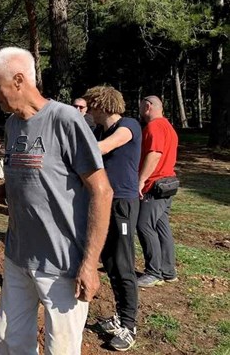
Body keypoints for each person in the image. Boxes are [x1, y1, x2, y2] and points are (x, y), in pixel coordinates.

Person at [0, 47, 113, 354]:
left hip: (62, 263)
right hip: (18, 255)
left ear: (18, 80)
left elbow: (101, 190)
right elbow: (25, 178)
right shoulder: (13, 125)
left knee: (60, 349)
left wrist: (89, 264)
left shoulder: (65, 119)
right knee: (9, 342)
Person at [84, 86, 142, 351]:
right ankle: (120, 315)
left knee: (123, 264)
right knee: (109, 262)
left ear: (101, 105)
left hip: (123, 203)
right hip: (102, 201)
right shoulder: (98, 130)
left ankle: (129, 325)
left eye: (91, 107)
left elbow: (106, 147)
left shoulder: (128, 125)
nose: (90, 113)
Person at [136, 95, 179, 288]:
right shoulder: (169, 127)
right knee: (162, 227)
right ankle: (169, 271)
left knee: (144, 225)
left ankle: (154, 272)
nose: (140, 111)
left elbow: (154, 154)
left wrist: (141, 180)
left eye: (140, 106)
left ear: (148, 106)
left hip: (154, 185)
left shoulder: (154, 127)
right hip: (168, 184)